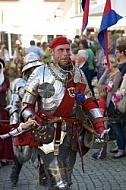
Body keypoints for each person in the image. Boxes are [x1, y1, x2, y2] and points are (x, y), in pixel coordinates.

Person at [20, 36, 106, 190]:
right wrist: (33, 118)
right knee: (61, 184)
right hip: (48, 134)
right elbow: (26, 106)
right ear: (51, 52)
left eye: (67, 50)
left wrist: (99, 126)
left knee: (66, 178)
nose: (66, 53)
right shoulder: (40, 73)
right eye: (61, 50)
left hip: (72, 135)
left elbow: (87, 101)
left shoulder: (78, 73)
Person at [7, 52, 46, 185]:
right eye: (33, 68)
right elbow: (13, 107)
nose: (36, 71)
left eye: (38, 67)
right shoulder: (19, 83)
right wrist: (15, 125)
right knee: (22, 154)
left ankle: (43, 176)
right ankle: (15, 170)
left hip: (41, 119)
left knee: (43, 148)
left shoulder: (45, 82)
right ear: (28, 69)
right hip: (24, 122)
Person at [98, 55, 125, 159]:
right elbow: (100, 84)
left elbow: (111, 90)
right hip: (108, 103)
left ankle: (121, 149)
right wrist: (105, 73)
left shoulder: (117, 74)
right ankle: (119, 146)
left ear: (112, 63)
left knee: (117, 128)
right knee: (114, 127)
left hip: (114, 104)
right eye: (103, 64)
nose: (104, 66)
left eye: (106, 64)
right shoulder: (110, 73)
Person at [0, 58, 13, 168]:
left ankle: (5, 156)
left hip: (3, 108)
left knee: (5, 130)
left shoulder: (5, 79)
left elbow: (9, 93)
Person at [91, 85, 107, 159]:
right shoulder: (100, 101)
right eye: (95, 93)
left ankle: (101, 153)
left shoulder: (101, 102)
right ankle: (100, 151)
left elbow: (101, 113)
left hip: (102, 122)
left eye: (97, 93)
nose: (95, 95)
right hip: (101, 122)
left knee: (102, 138)